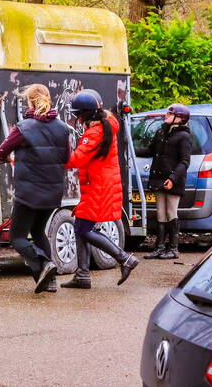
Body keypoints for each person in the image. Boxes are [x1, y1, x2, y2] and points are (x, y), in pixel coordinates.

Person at [0, 84, 71, 293]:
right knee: (38, 232)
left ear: (29, 102)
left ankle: (44, 263)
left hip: (29, 192)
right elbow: (66, 158)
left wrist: (10, 159)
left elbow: (0, 152)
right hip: (53, 192)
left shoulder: (23, 127)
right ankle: (49, 281)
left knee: (17, 237)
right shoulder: (63, 128)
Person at [60, 90, 139, 289]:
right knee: (81, 227)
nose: (76, 118)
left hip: (98, 186)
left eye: (78, 114)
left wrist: (53, 155)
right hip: (99, 184)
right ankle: (82, 275)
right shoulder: (101, 126)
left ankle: (124, 259)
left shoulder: (95, 133)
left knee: (83, 228)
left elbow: (75, 159)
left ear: (86, 113)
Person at [143, 104, 192, 260]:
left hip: (173, 180)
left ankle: (174, 248)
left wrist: (173, 178)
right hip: (158, 177)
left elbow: (185, 161)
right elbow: (150, 151)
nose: (166, 115)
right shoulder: (162, 132)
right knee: (160, 212)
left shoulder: (184, 136)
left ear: (180, 118)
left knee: (171, 212)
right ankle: (159, 247)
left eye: (170, 114)